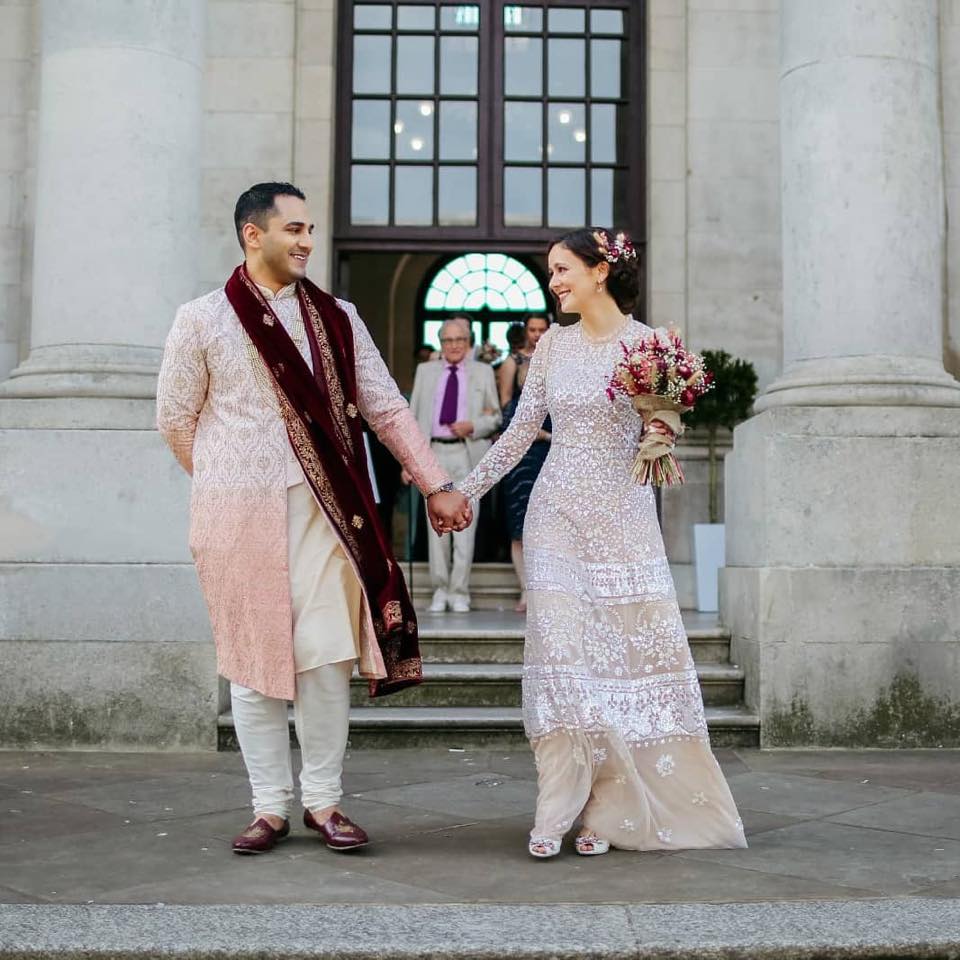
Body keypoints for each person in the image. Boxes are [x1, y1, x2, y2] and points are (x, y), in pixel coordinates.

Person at [157, 182, 471, 856]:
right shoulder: (203, 319)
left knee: (326, 658)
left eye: (309, 229)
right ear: (253, 234)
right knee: (252, 661)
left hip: (330, 515)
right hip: (238, 518)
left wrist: (436, 483)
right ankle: (268, 806)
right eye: (293, 229)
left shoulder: (338, 318)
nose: (306, 241)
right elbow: (175, 420)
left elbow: (385, 407)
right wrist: (224, 481)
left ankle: (324, 802)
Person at [457, 228, 746, 858]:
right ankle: (557, 804)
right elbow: (517, 434)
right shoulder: (552, 349)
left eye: (563, 269)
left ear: (600, 272)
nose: (554, 280)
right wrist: (464, 490)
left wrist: (663, 426)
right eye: (551, 271)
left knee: (620, 668)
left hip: (623, 518)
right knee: (562, 665)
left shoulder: (650, 347)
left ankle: (608, 811)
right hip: (555, 514)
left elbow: (663, 419)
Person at [407, 316, 501, 612]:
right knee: (436, 526)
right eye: (448, 340)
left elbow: (496, 418)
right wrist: (409, 462)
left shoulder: (483, 372)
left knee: (464, 524)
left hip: (466, 453)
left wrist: (472, 425)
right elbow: (410, 418)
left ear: (469, 342)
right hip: (433, 454)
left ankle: (459, 590)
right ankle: (440, 589)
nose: (454, 345)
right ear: (441, 343)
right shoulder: (425, 371)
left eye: (460, 340)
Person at [496, 315, 552, 612]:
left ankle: (546, 587)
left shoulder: (557, 357)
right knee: (520, 521)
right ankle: (525, 589)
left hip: (553, 451)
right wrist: (538, 433)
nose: (537, 335)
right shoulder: (512, 363)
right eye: (533, 329)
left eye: (542, 329)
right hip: (523, 450)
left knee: (547, 521)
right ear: (525, 332)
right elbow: (505, 407)